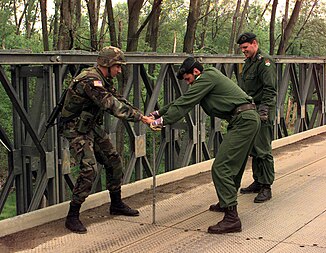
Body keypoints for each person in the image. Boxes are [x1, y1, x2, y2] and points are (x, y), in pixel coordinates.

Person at [145, 57, 261, 234]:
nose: (187, 83)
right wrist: (158, 112)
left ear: (196, 72)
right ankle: (226, 202)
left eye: (188, 79)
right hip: (245, 119)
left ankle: (232, 218)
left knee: (221, 168)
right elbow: (183, 100)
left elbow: (186, 103)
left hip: (244, 120)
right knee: (233, 166)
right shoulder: (207, 79)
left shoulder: (207, 77)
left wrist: (161, 122)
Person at [60, 46, 149, 233]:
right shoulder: (90, 80)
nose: (119, 70)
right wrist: (140, 118)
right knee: (89, 168)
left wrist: (142, 115)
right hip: (75, 128)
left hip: (89, 126)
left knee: (113, 160)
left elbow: (118, 99)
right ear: (107, 64)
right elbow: (111, 105)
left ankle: (116, 204)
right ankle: (72, 216)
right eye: (117, 66)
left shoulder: (103, 79)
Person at [236, 32, 277, 203]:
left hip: (262, 109)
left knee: (263, 149)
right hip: (251, 109)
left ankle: (266, 186)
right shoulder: (248, 63)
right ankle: (258, 181)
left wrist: (263, 112)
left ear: (254, 43)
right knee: (254, 148)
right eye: (242, 49)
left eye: (245, 48)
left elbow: (270, 89)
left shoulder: (264, 62)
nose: (243, 51)